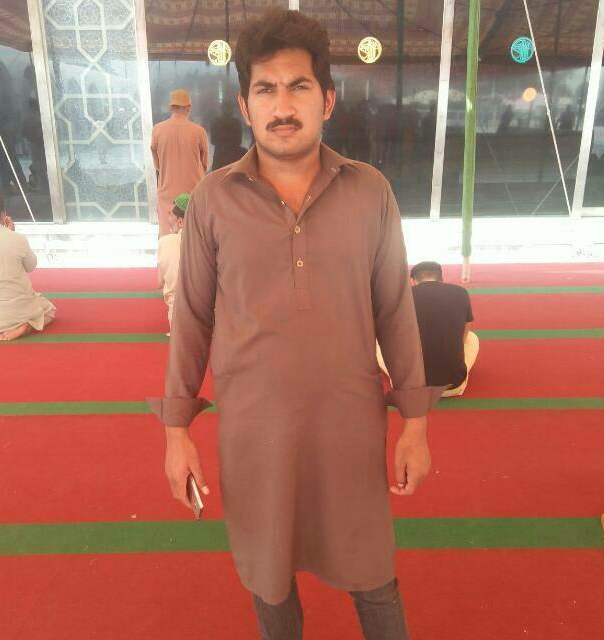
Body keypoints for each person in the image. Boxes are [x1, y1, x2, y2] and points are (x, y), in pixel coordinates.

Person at [149, 9, 444, 639]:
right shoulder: (212, 200)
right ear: (245, 105)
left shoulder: (370, 192)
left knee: (373, 572)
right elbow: (191, 318)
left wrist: (415, 425)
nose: (282, 107)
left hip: (350, 429)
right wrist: (177, 433)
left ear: (327, 99)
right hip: (254, 434)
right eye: (266, 89)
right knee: (269, 578)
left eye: (298, 87)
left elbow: (396, 310)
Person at [378, 261, 479, 397]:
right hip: (453, 384)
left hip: (410, 387)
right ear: (441, 279)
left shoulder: (402, 297)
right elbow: (465, 331)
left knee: (380, 343)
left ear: (413, 281)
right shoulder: (461, 292)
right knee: (472, 338)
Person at [0, 192, 55, 341]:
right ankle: (26, 326)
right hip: (14, 311)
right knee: (49, 310)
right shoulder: (17, 238)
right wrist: (11, 233)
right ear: (2, 213)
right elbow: (30, 266)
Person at [151, 89, 209, 236]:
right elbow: (205, 164)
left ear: (171, 107)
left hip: (166, 193)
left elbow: (157, 164)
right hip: (192, 193)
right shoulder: (199, 131)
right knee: (194, 236)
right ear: (189, 108)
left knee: (167, 236)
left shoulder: (157, 130)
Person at [157, 193, 188, 334]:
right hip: (207, 313)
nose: (168, 218)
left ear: (180, 221)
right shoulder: (208, 242)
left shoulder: (165, 242)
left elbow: (159, 282)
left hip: (175, 313)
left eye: (170, 214)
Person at [210, 103, 246, 171]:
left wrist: (222, 143)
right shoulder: (236, 122)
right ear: (232, 110)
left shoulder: (216, 121)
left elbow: (213, 141)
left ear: (221, 109)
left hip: (219, 156)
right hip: (234, 156)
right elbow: (239, 141)